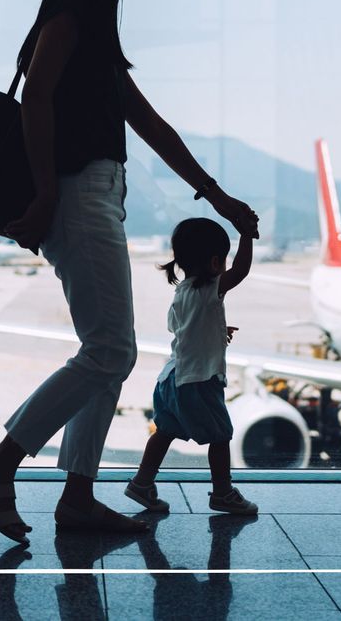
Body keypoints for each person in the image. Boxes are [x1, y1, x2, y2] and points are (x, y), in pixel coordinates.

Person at [0, 0, 260, 544]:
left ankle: (76, 498)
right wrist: (44, 194)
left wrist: (218, 197)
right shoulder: (68, 20)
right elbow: (36, 97)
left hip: (95, 192)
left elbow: (152, 127)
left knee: (108, 352)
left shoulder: (90, 31)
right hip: (76, 193)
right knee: (111, 350)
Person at [124, 217, 259, 516]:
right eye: (223, 258)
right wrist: (246, 235)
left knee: (165, 431)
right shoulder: (212, 288)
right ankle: (222, 493)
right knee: (221, 436)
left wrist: (216, 328)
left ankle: (141, 482)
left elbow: (182, 328)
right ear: (214, 262)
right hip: (199, 380)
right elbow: (241, 271)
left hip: (171, 379)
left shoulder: (182, 292)